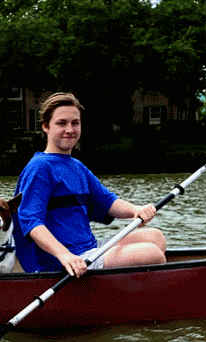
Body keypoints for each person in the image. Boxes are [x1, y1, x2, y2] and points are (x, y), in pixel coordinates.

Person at [13, 92, 166, 278]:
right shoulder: (39, 167)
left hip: (89, 249)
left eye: (75, 123)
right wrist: (64, 255)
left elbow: (107, 201)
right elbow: (31, 222)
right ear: (46, 126)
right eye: (62, 123)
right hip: (64, 260)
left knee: (156, 237)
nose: (70, 129)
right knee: (151, 253)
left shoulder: (77, 167)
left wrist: (136, 210)